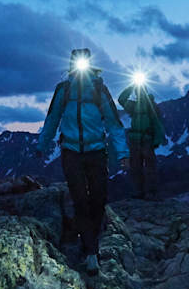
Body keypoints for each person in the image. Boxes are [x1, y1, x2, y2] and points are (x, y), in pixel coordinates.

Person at [36, 48, 126, 275]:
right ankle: (91, 252)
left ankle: (89, 242)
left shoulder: (99, 89)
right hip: (71, 152)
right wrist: (41, 145)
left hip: (97, 152)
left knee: (98, 198)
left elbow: (114, 123)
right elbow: (52, 119)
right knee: (80, 200)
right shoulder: (63, 90)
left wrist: (123, 153)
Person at [117, 73, 166, 200]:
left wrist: (131, 87)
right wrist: (132, 86)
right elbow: (121, 99)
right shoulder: (141, 105)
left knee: (141, 167)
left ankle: (145, 192)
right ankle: (146, 192)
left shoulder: (144, 105)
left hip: (141, 140)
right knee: (142, 167)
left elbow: (156, 122)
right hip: (141, 140)